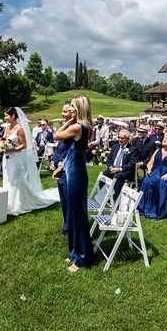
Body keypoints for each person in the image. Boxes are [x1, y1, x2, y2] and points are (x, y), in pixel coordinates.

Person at [54, 95, 95, 272]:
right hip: (72, 171)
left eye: (72, 106)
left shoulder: (78, 127)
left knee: (78, 217)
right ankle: (75, 251)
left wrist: (69, 120)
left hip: (76, 175)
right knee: (72, 214)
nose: (69, 108)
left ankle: (83, 258)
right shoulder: (83, 126)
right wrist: (62, 167)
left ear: (78, 108)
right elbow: (72, 152)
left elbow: (56, 135)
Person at [0, 107, 59, 216]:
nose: (5, 118)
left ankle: (18, 205)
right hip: (7, 158)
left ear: (13, 116)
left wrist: (11, 149)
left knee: (16, 180)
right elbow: (4, 140)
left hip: (16, 158)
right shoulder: (7, 128)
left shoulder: (19, 128)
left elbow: (23, 145)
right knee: (8, 179)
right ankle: (8, 203)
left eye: (7, 115)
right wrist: (0, 145)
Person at [51, 102, 74, 235]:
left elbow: (71, 152)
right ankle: (67, 226)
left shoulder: (74, 129)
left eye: (65, 112)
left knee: (69, 202)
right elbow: (59, 147)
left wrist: (61, 166)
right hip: (60, 171)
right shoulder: (65, 127)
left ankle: (70, 228)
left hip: (67, 171)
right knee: (64, 202)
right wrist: (53, 160)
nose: (62, 114)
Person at [102, 129, 138, 200]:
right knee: (104, 175)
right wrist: (110, 167)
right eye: (118, 137)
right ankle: (103, 196)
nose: (119, 139)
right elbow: (109, 159)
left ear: (127, 139)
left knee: (116, 177)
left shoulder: (133, 149)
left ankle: (116, 198)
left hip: (125, 171)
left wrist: (119, 169)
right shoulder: (115, 146)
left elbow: (132, 163)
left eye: (122, 138)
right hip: (113, 168)